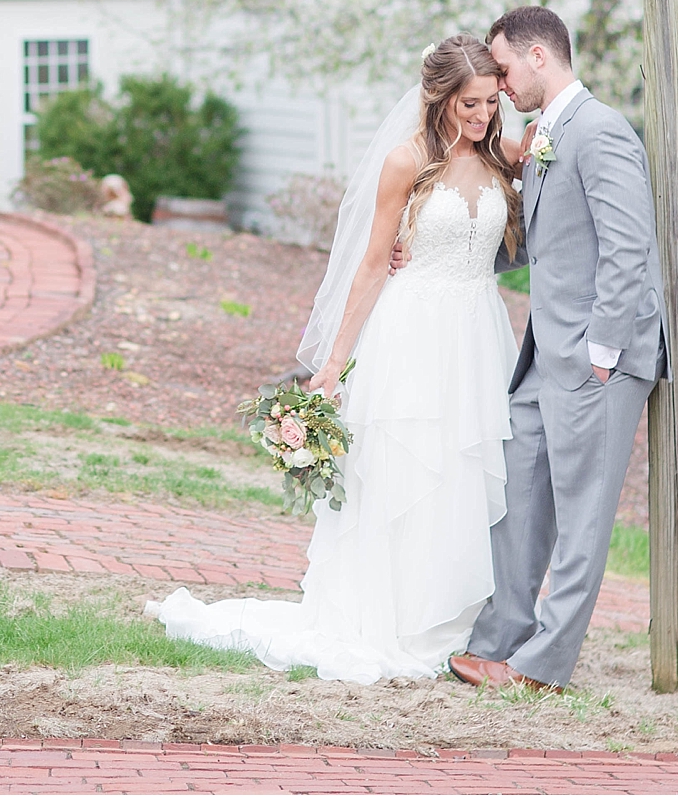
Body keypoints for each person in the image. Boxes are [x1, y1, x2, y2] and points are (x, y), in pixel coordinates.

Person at [145, 35, 526, 684]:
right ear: (438, 99)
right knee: (409, 467)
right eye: (469, 103)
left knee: (463, 470)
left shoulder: (504, 161)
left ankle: (452, 620)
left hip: (477, 335)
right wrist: (334, 362)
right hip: (411, 334)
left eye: (492, 102)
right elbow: (374, 262)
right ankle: (395, 620)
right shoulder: (406, 162)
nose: (483, 115)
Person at [449, 6, 665, 693]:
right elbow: (548, 243)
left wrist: (602, 350)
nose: (500, 84)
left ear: (539, 57)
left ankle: (542, 668)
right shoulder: (547, 135)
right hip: (547, 356)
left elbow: (628, 246)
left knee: (581, 513)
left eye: (505, 68)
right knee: (518, 494)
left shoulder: (600, 132)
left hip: (599, 358)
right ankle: (499, 640)